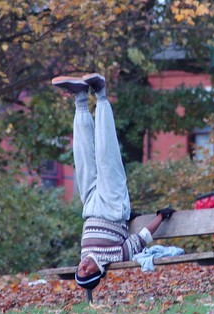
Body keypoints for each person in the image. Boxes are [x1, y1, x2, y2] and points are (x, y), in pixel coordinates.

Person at [52, 72, 175, 292]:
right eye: (87, 272)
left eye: (80, 270)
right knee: (105, 154)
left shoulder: (83, 255)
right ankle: (100, 94)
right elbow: (143, 237)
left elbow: (84, 260)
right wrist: (161, 216)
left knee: (82, 157)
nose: (83, 267)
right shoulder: (116, 256)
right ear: (98, 272)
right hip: (113, 206)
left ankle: (80, 98)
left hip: (89, 205)